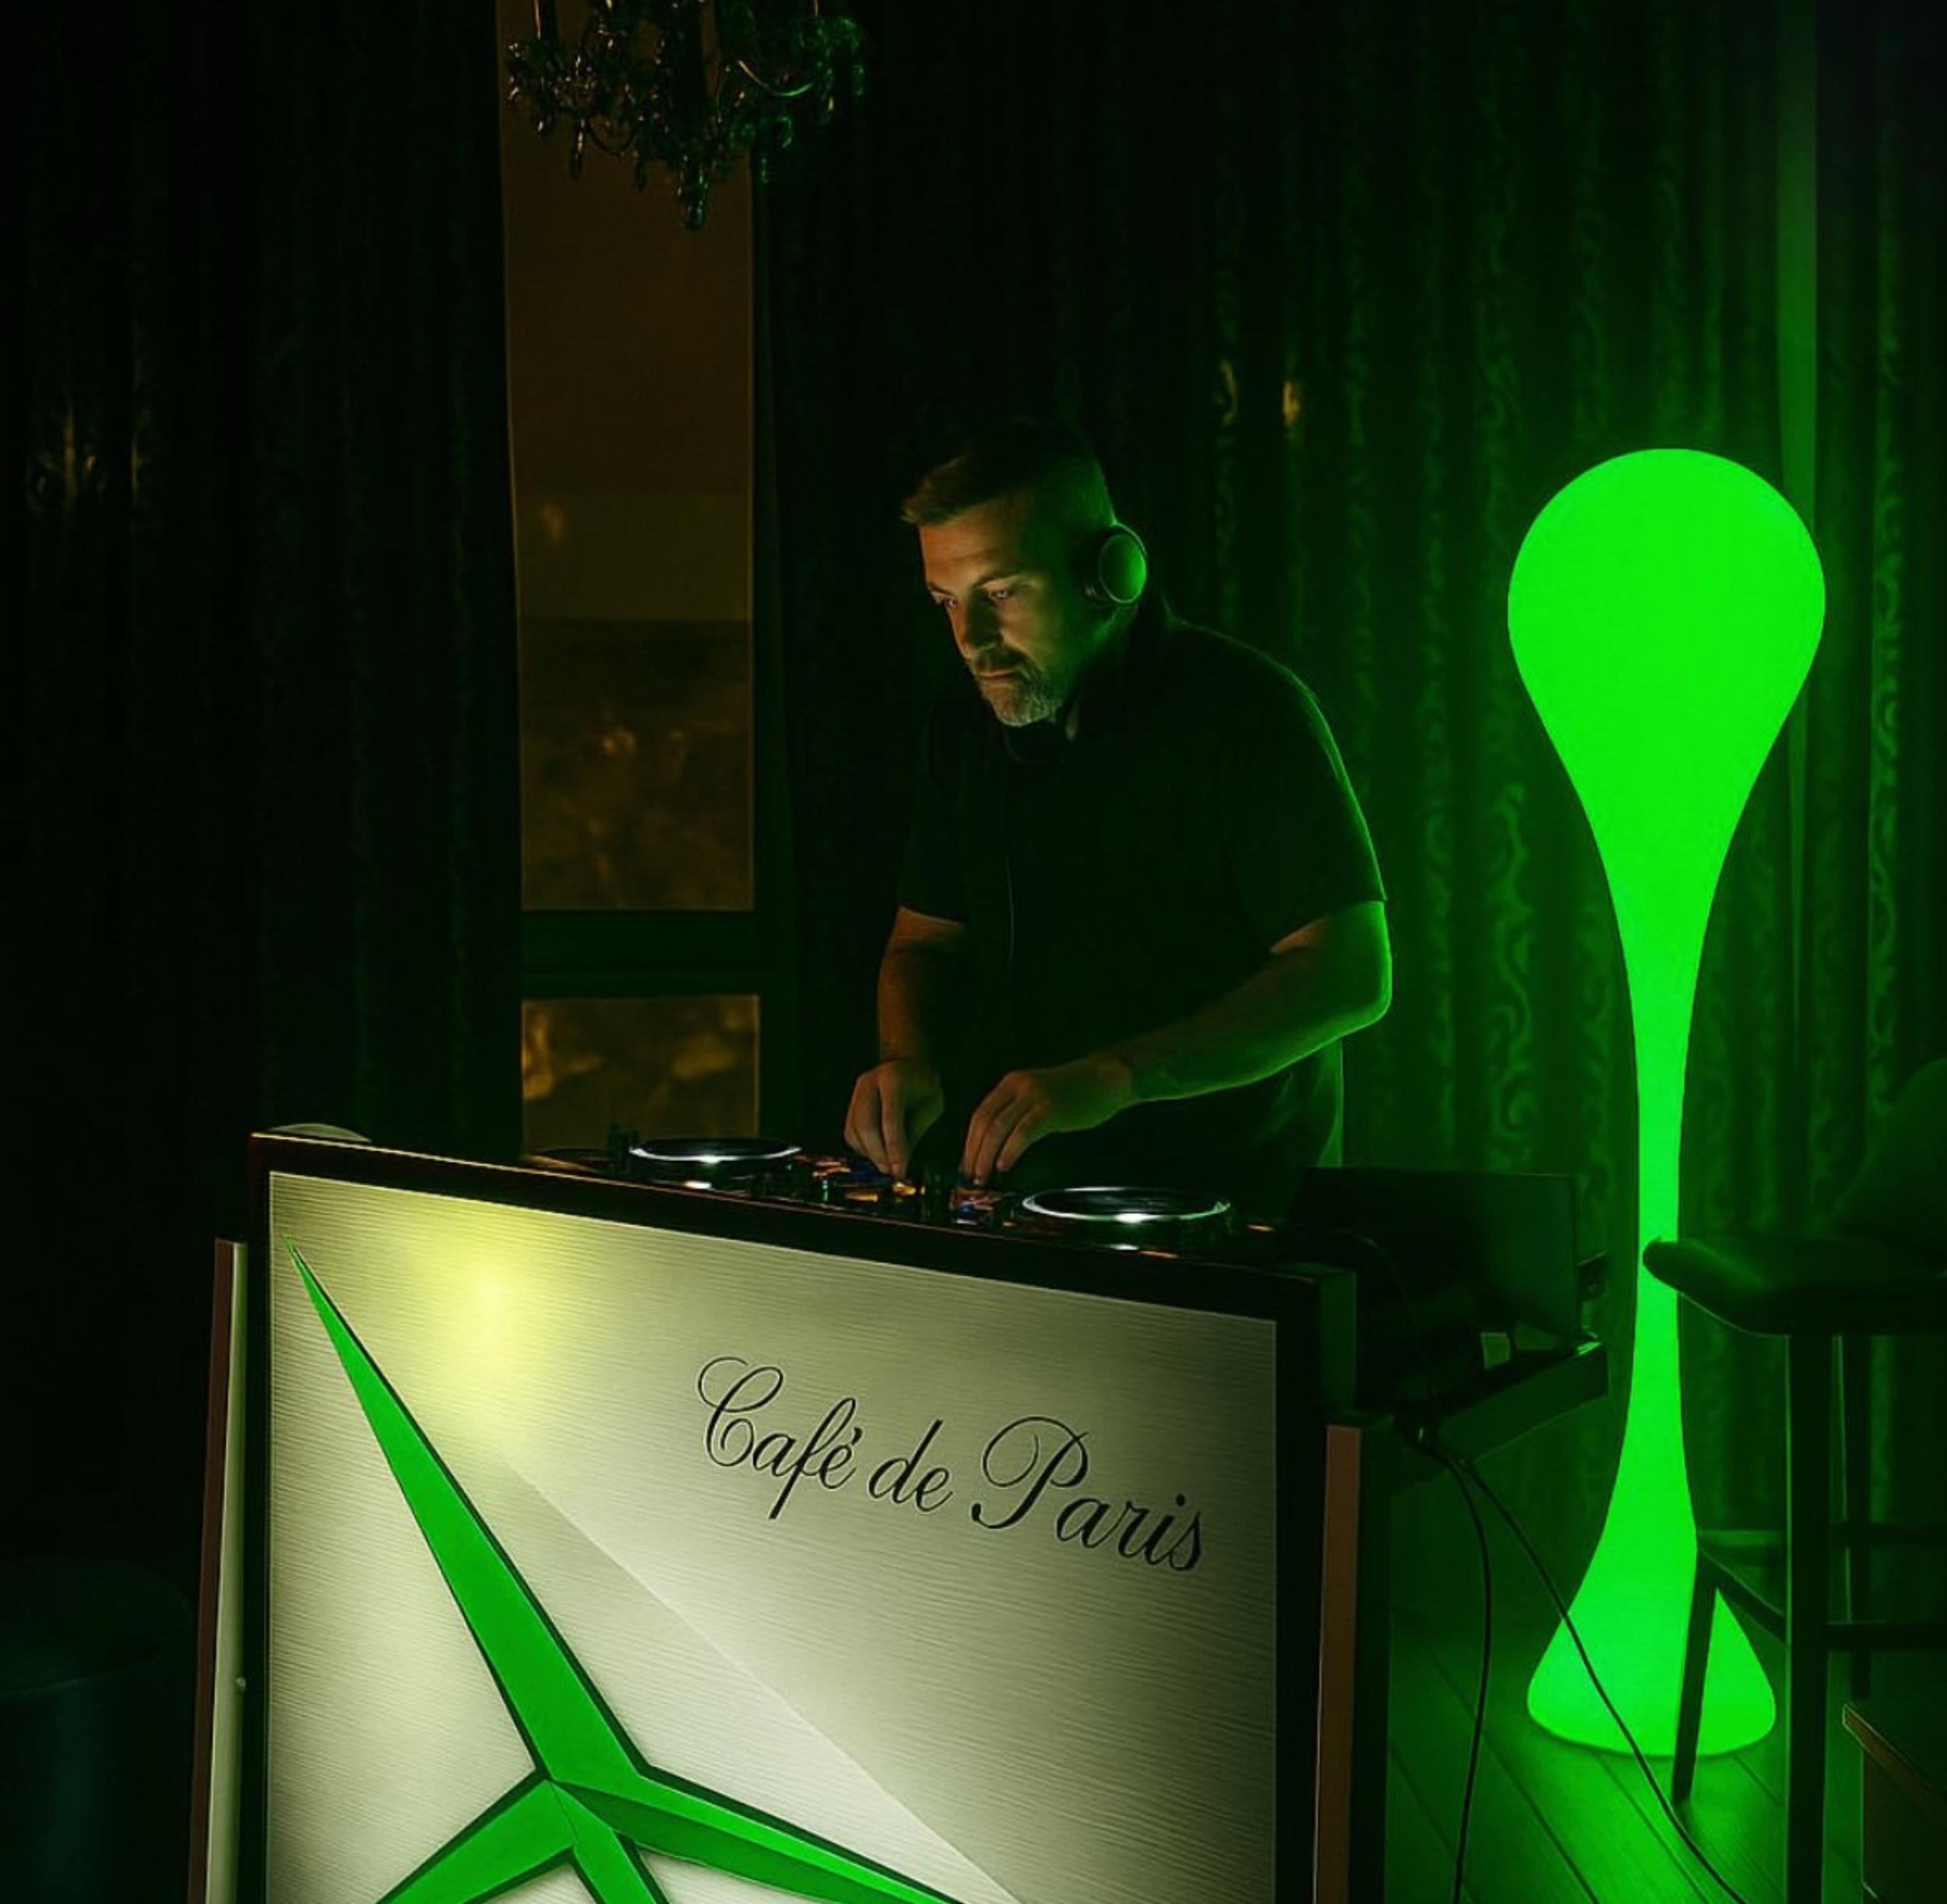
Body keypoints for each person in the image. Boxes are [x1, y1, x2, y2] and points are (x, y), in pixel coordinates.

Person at [843, 417, 1391, 1223]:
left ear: (1110, 574)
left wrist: (1122, 1075)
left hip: (1228, 1220)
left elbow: (1348, 975)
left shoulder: (1247, 714)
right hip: (1020, 1208)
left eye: (999, 593)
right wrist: (907, 1058)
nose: (972, 641)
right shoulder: (961, 732)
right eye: (946, 602)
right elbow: (923, 943)